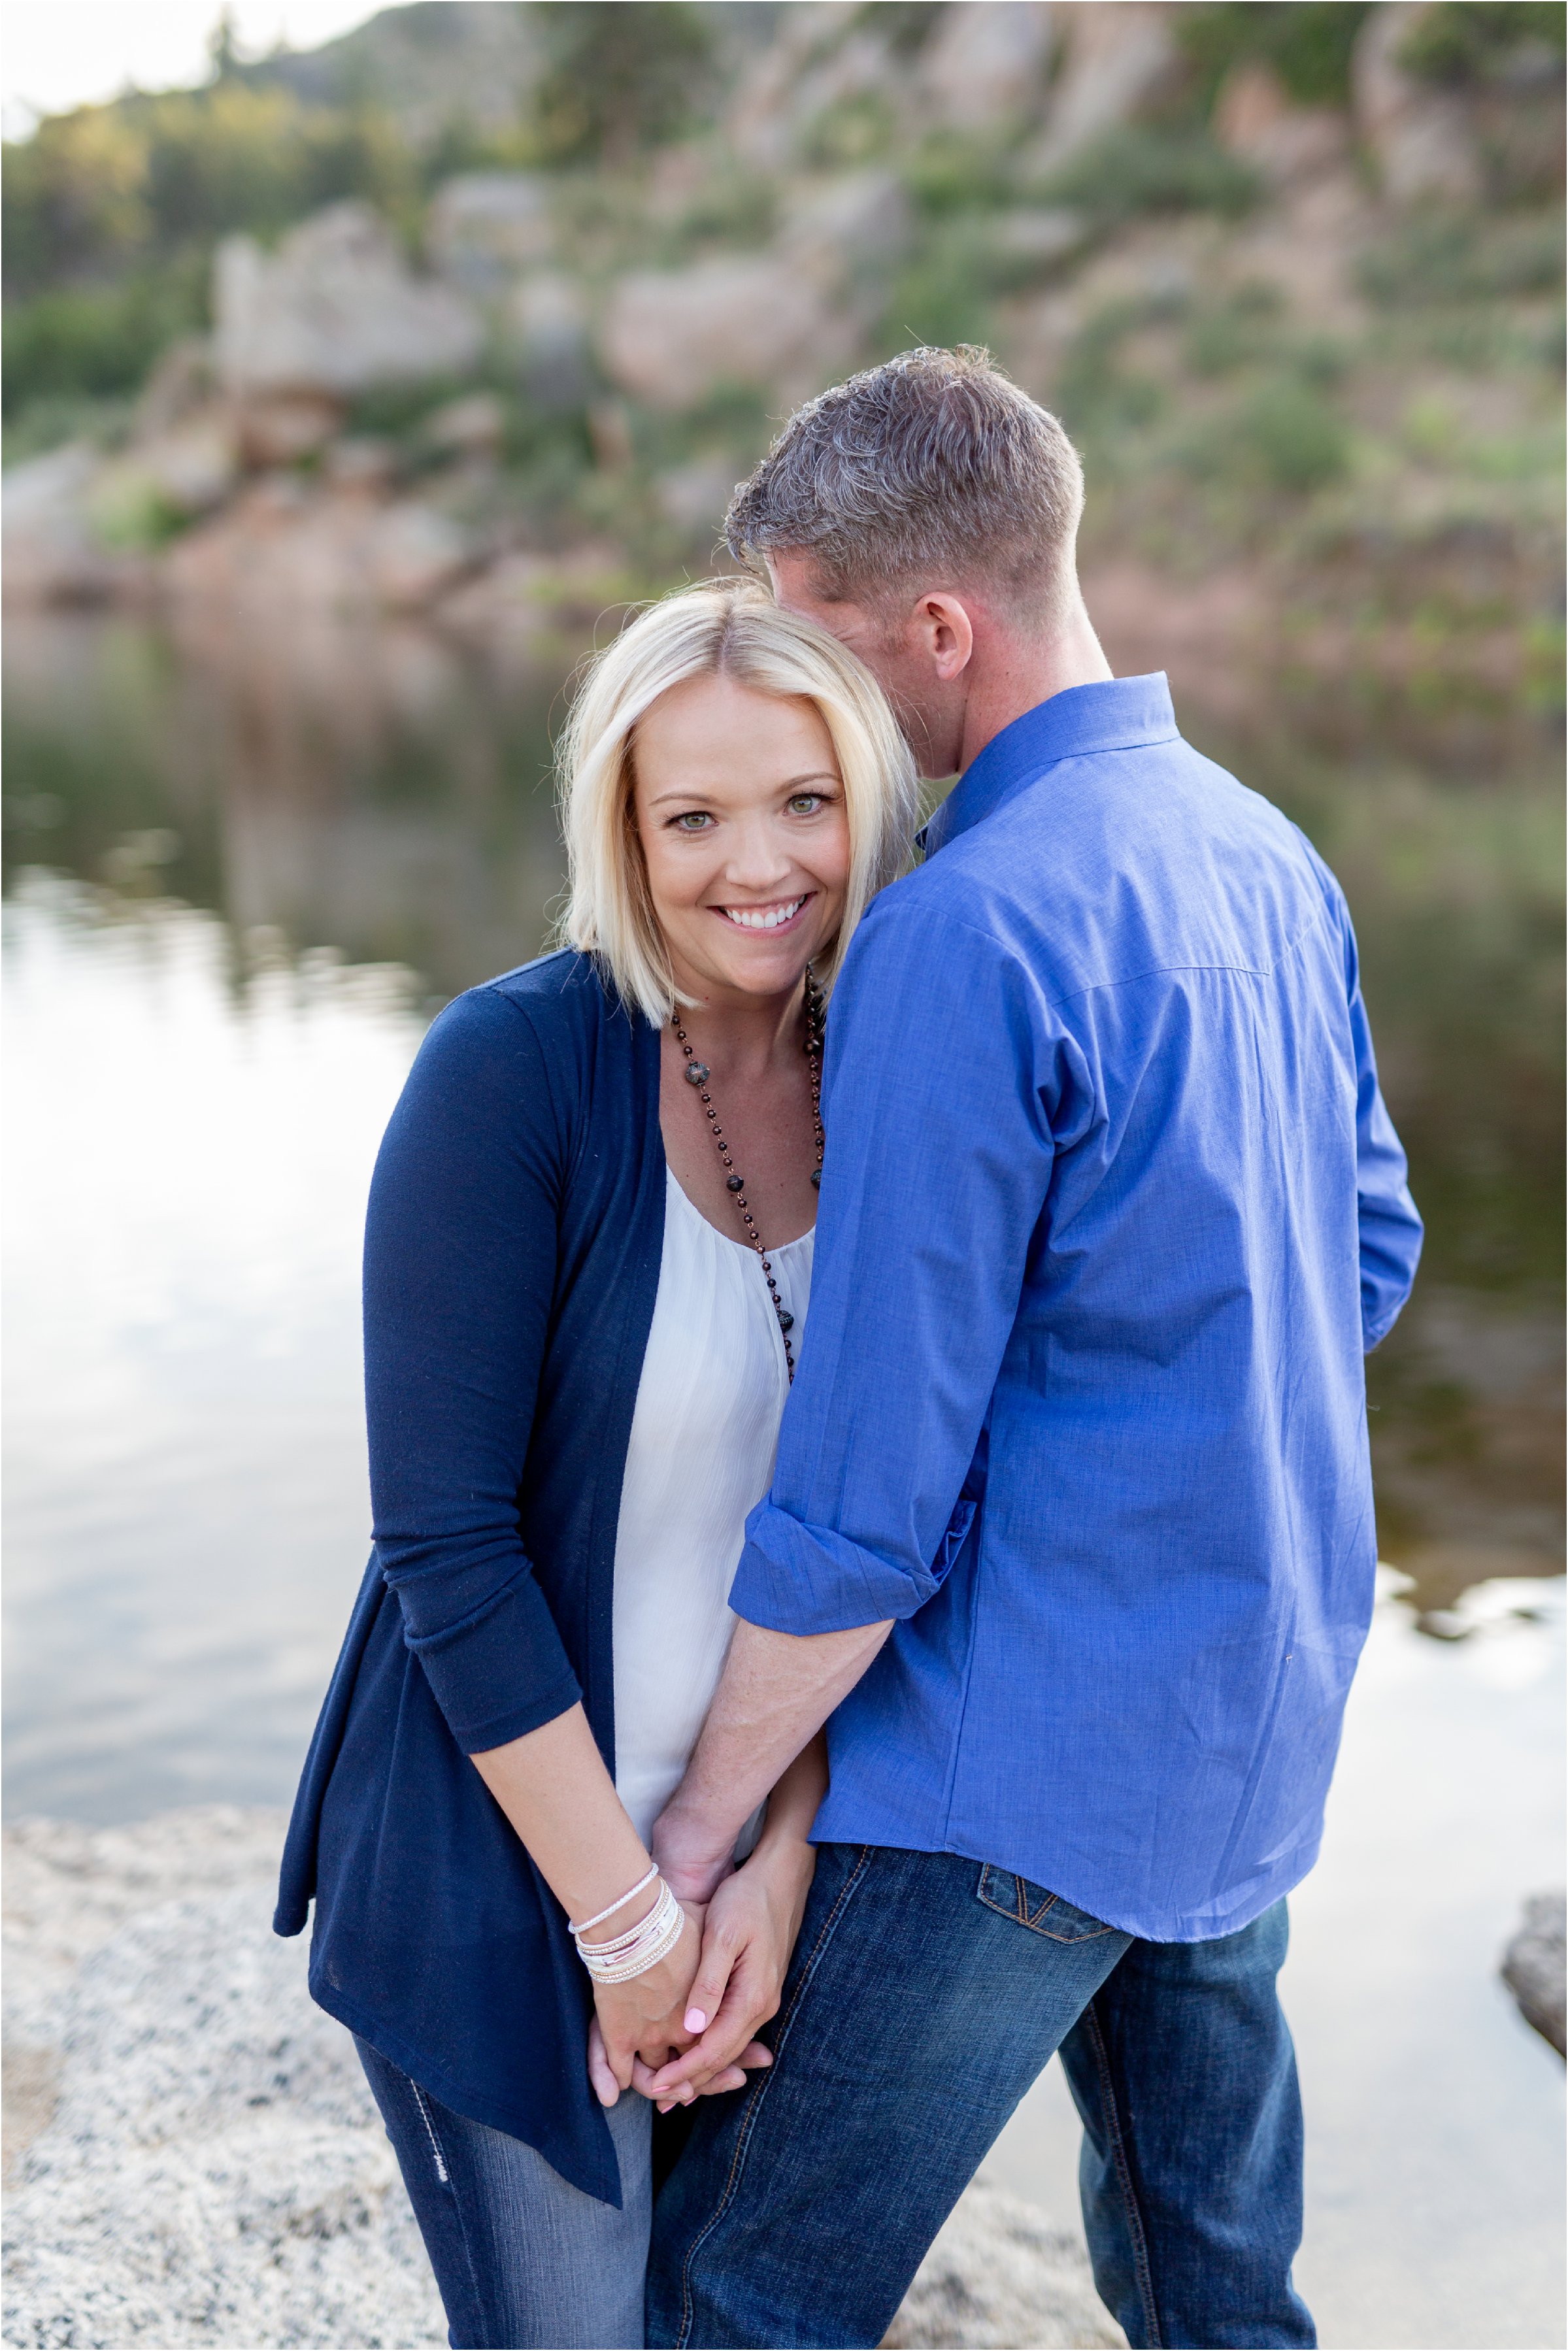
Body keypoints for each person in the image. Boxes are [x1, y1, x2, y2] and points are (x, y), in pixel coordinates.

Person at [641, 347, 1425, 2351]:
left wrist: (698, 1833)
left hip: (1009, 1783)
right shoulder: (1266, 851)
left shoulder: (962, 926)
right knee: (1215, 2293)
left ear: (935, 627)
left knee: (737, 2293)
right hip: (1242, 1725)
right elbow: (1370, 1246)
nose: (814, 712)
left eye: (820, 654)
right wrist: (1168, 1426)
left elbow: (866, 1498)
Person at [273, 578, 918, 2350]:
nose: (756, 864)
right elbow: (446, 1550)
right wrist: (629, 1929)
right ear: (621, 836)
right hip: (509, 1864)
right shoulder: (513, 1072)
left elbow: (866, 1528)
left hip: (747, 1839)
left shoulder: (889, 1070)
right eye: (690, 816)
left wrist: (773, 1860)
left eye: (803, 800)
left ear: (868, 794)